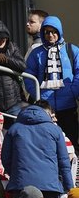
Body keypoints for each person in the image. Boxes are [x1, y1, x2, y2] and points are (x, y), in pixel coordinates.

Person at [26, 15, 79, 143]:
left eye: (54, 31)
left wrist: (73, 91)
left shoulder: (72, 50)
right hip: (45, 108)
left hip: (68, 106)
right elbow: (28, 76)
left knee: (71, 140)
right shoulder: (36, 53)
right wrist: (36, 94)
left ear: (59, 32)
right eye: (47, 32)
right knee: (47, 142)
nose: (51, 35)